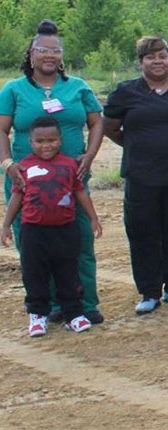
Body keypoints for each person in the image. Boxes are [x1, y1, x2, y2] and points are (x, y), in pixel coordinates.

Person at [0, 20, 105, 324]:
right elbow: (2, 130)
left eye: (55, 50)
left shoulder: (78, 87)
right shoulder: (14, 90)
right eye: (43, 50)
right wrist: (8, 165)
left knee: (79, 241)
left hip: (71, 180)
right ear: (31, 53)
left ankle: (83, 301)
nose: (49, 55)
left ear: (62, 56)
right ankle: (46, 306)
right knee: (34, 246)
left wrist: (90, 154)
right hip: (27, 182)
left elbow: (97, 122)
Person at [103, 36, 168, 315]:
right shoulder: (125, 92)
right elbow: (111, 127)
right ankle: (149, 292)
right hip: (141, 176)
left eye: (162, 56)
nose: (158, 62)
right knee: (142, 234)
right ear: (141, 62)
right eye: (151, 57)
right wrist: (138, 144)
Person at [2, 116, 103, 336]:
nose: (46, 145)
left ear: (60, 140)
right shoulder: (24, 168)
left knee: (68, 273)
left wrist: (93, 217)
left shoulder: (69, 165)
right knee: (34, 273)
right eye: (40, 141)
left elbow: (80, 193)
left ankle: (73, 314)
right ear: (30, 143)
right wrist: (6, 225)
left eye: (51, 140)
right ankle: (38, 316)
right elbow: (16, 198)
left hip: (65, 229)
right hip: (33, 231)